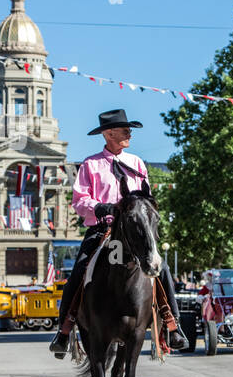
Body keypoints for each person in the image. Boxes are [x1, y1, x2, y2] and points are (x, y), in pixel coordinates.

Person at [50, 110, 187, 358]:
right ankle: (64, 329)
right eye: (125, 130)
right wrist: (98, 207)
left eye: (129, 130)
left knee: (161, 267)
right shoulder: (90, 165)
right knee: (79, 270)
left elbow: (146, 196)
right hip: (103, 228)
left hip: (134, 231)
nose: (129, 134)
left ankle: (172, 324)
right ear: (109, 133)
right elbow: (79, 201)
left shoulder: (136, 163)